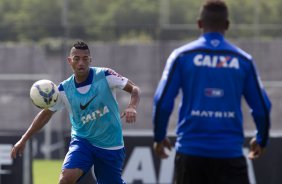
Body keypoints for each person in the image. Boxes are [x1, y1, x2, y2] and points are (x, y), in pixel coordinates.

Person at [152, 0, 271, 184]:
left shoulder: (182, 56)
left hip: (191, 156)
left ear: (199, 24)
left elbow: (162, 101)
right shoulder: (243, 60)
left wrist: (159, 136)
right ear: (227, 25)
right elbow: (262, 108)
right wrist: (261, 139)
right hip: (230, 156)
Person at [11, 41, 140, 184]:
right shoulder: (64, 90)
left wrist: (132, 106)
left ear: (90, 60)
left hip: (110, 143)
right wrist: (24, 139)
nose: (81, 63)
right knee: (65, 179)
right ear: (69, 61)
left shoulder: (105, 75)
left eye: (85, 59)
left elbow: (134, 89)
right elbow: (46, 114)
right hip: (83, 141)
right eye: (76, 58)